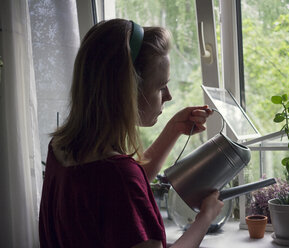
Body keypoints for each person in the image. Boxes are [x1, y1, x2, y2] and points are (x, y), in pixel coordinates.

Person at [39, 18, 224, 248]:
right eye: (160, 86)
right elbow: (124, 186)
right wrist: (205, 218)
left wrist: (175, 128)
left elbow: (118, 195)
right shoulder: (119, 177)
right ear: (126, 92)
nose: (168, 96)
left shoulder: (60, 148)